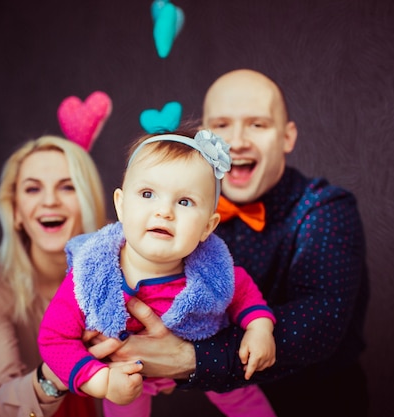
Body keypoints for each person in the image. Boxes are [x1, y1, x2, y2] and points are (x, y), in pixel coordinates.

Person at [88, 69, 370, 417]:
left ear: (287, 136)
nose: (237, 141)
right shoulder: (174, 214)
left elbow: (321, 320)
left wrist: (188, 357)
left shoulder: (324, 208)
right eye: (222, 125)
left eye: (257, 124)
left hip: (319, 402)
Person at [39, 129, 278, 417]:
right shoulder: (91, 274)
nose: (164, 211)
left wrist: (260, 328)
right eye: (148, 194)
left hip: (199, 355)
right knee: (122, 402)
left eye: (185, 202)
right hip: (124, 369)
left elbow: (244, 294)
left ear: (207, 227)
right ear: (122, 205)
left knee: (241, 391)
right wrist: (101, 381)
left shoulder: (213, 270)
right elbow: (54, 338)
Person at [0, 135, 108, 417]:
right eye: (33, 189)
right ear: (16, 212)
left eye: (68, 187)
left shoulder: (118, 272)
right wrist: (61, 371)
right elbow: (0, 397)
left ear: (87, 201)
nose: (49, 201)